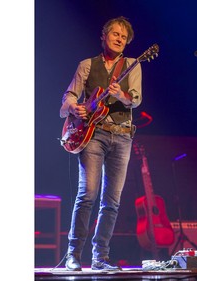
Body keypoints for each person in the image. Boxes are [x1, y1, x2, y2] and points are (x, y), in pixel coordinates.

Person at [59, 16, 142, 271]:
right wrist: (75, 106)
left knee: (112, 201)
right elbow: (69, 97)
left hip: (123, 135)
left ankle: (100, 257)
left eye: (124, 36)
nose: (119, 38)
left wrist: (121, 95)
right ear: (104, 36)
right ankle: (73, 254)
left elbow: (135, 100)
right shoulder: (87, 65)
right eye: (115, 34)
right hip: (92, 134)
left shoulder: (133, 65)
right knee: (87, 194)